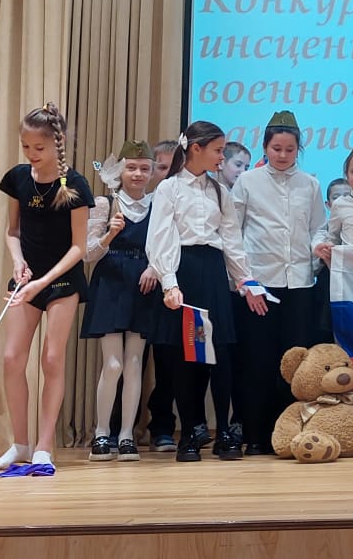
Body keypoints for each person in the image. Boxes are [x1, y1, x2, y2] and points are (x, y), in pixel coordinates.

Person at [146, 121, 263, 462]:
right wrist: (169, 283)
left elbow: (232, 240)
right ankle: (190, 432)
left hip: (212, 272)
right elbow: (160, 236)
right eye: (217, 150)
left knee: (220, 354)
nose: (221, 157)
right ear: (195, 148)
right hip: (184, 270)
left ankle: (224, 431)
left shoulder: (220, 191)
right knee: (188, 357)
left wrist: (246, 282)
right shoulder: (169, 188)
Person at [0, 103, 94, 472]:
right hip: (27, 279)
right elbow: (13, 231)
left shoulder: (76, 185)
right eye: (26, 147)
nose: (31, 154)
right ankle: (20, 444)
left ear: (57, 143)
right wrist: (18, 261)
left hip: (61, 281)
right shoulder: (18, 178)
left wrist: (42, 283)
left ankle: (44, 447)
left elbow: (79, 247)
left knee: (51, 359)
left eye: (39, 147)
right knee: (11, 359)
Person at [233, 111, 327, 454]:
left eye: (290, 149)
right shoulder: (247, 182)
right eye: (277, 149)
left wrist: (320, 247)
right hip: (260, 284)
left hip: (299, 283)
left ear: (298, 149)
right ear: (265, 147)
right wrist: (246, 281)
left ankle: (288, 435)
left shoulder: (310, 184)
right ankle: (256, 435)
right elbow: (234, 234)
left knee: (294, 361)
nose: (283, 155)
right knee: (258, 359)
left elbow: (318, 228)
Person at [80, 140, 159, 462]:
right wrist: (110, 233)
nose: (138, 174)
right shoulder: (105, 203)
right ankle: (102, 433)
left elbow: (164, 247)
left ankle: (127, 435)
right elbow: (88, 253)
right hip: (110, 282)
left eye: (144, 168)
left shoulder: (158, 205)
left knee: (134, 363)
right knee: (112, 364)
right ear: (120, 171)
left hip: (143, 284)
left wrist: (155, 268)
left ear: (152, 173)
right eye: (131, 167)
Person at [144, 138, 190, 452]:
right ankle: (130, 428)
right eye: (162, 167)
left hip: (172, 283)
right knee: (139, 362)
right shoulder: (142, 201)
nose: (168, 173)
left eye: (174, 166)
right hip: (142, 289)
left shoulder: (182, 198)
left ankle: (169, 426)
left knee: (173, 359)